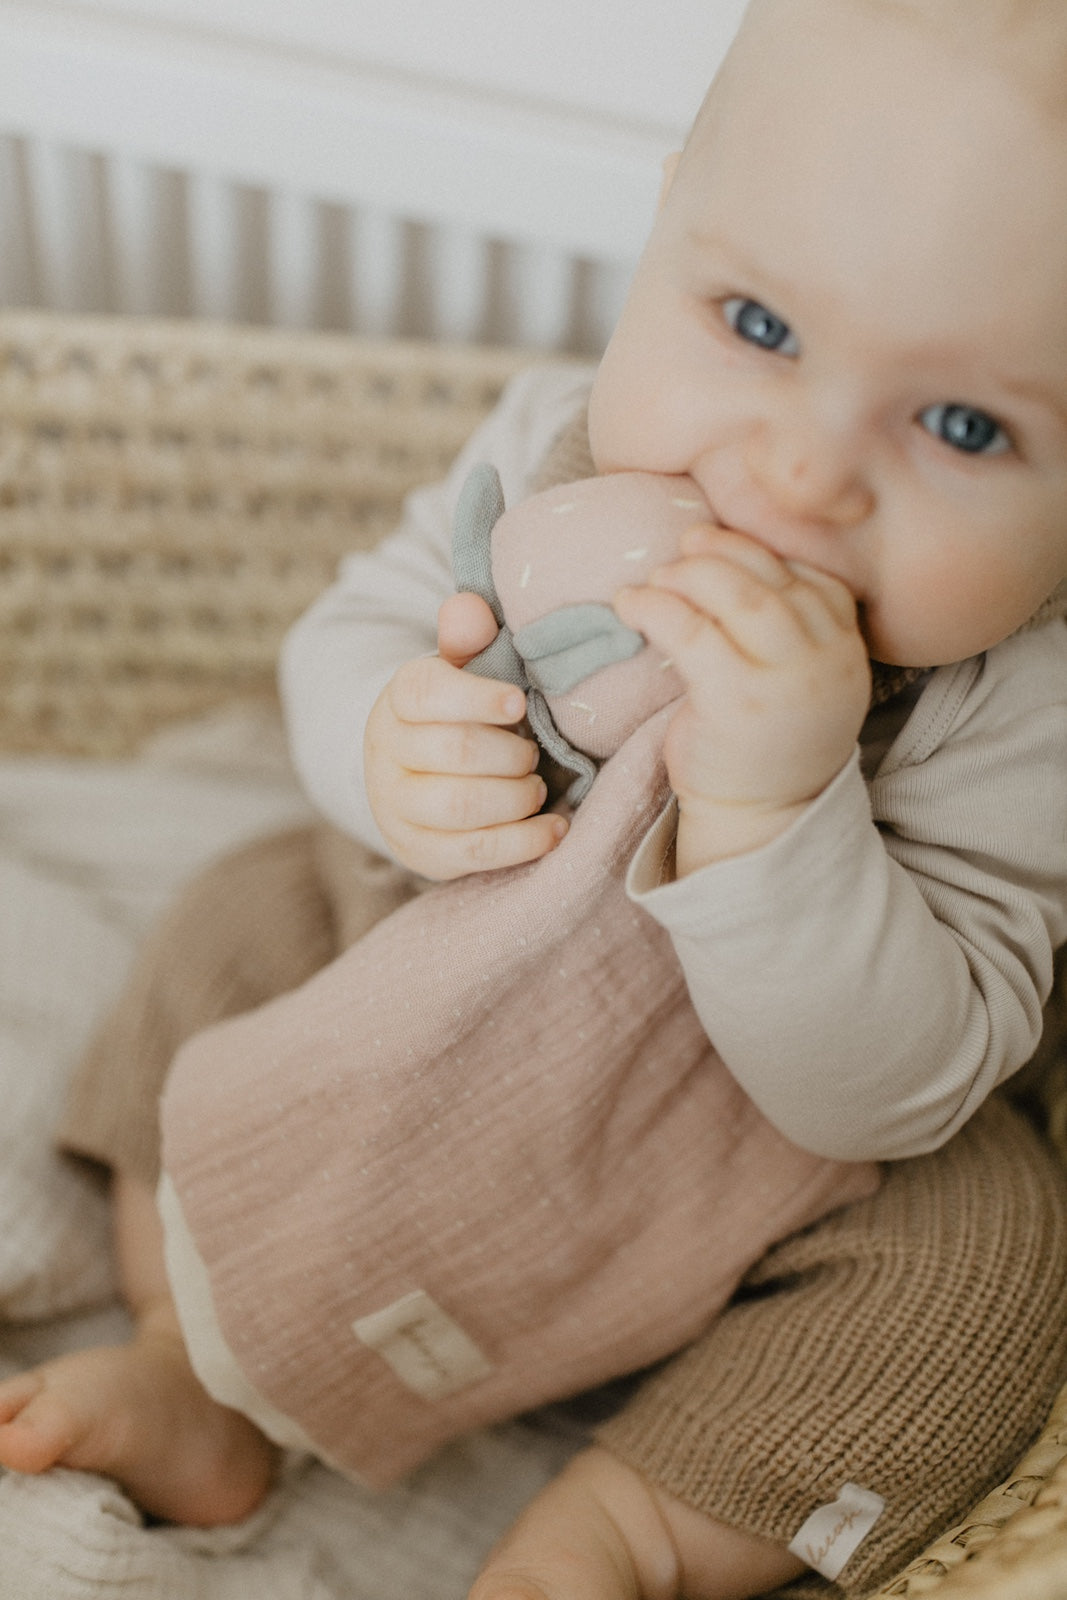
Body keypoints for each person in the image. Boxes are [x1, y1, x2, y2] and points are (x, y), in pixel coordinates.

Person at [4, 0, 1067, 1594]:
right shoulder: (550, 453)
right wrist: (390, 739)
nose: (796, 473)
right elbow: (358, 624)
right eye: (761, 329)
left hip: (759, 1193)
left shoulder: (1022, 710)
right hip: (425, 1017)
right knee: (251, 901)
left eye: (966, 426)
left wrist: (778, 799)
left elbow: (889, 1094)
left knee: (985, 1262)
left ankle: (620, 1536)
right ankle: (195, 1361)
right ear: (661, 231)